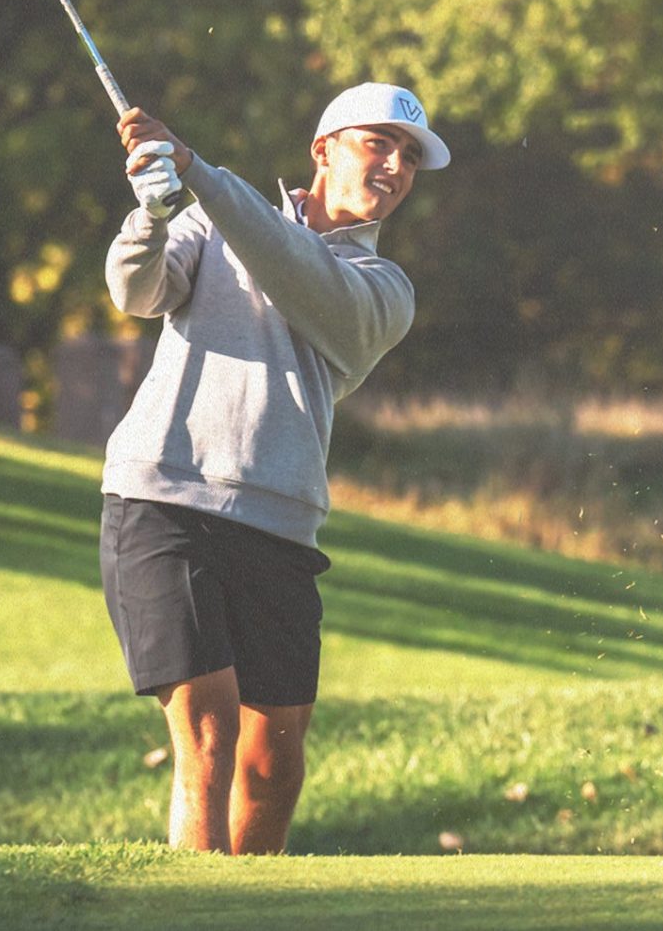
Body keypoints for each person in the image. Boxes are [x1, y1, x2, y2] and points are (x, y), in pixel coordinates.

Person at [98, 82, 450, 854]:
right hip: (164, 497)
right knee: (212, 737)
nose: (395, 166)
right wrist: (152, 213)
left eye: (410, 158)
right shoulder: (210, 219)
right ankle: (196, 913)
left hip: (280, 524)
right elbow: (137, 291)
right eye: (378, 144)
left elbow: (292, 266)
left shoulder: (383, 290)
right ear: (323, 150)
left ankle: (250, 903)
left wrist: (197, 171)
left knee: (274, 764)